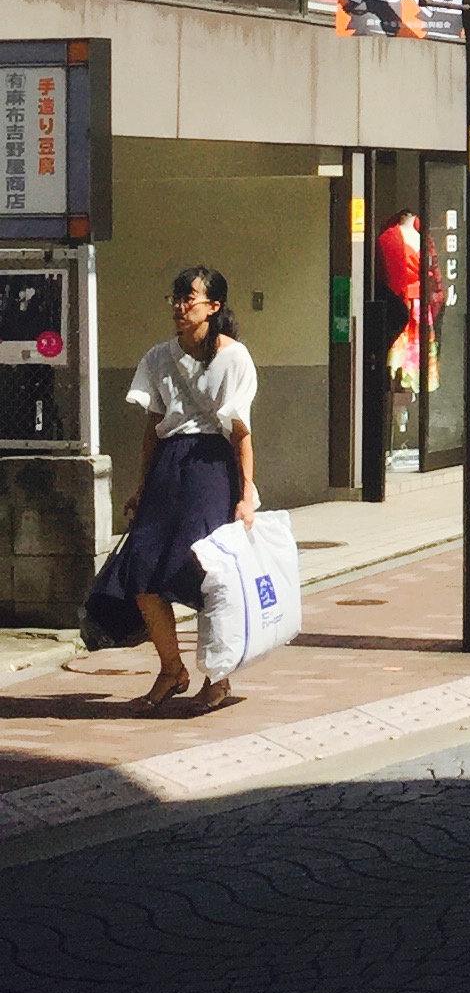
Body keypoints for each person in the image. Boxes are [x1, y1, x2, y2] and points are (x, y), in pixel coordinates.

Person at [85, 265, 260, 715]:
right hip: (168, 465)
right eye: (176, 299)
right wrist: (142, 484)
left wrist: (246, 495)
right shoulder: (157, 357)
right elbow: (152, 429)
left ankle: (218, 678)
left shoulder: (234, 357)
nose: (181, 307)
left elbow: (241, 432)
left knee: (203, 572)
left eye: (190, 299)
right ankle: (171, 669)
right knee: (142, 570)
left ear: (213, 306)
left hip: (211, 467)